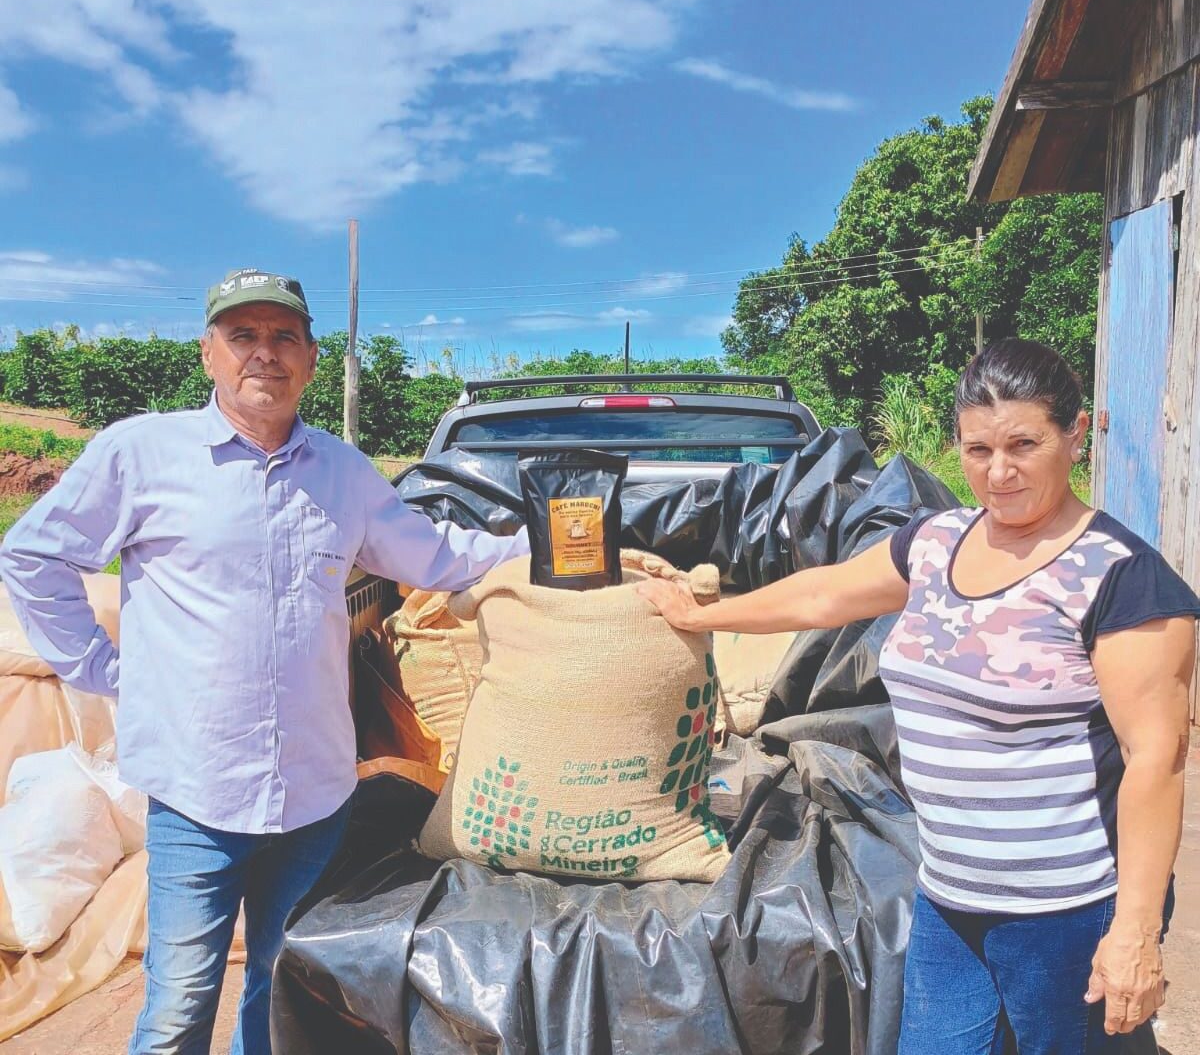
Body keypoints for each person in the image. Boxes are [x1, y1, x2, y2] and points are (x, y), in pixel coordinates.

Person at [0, 268, 529, 1055]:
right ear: (208, 353)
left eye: (284, 337)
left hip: (314, 796)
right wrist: (103, 670)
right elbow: (34, 554)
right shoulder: (140, 454)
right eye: (242, 335)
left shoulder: (343, 473)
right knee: (179, 1006)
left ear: (312, 359)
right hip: (196, 792)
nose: (264, 353)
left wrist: (551, 544)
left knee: (285, 993)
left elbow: (437, 556)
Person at [636, 338, 1200, 1054]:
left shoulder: (1120, 577)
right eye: (977, 449)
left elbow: (1156, 759)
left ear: (1075, 433)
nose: (999, 472)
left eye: (1024, 445)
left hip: (1064, 913)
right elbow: (822, 596)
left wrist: (1136, 931)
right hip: (948, 901)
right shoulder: (936, 542)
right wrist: (703, 615)